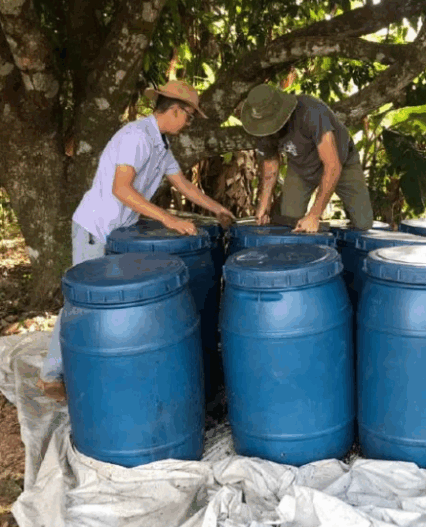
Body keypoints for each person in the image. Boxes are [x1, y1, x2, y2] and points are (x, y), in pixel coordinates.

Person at [36, 80, 235, 401]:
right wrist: (169, 219)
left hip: (120, 234)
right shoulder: (136, 138)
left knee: (111, 303)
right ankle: (51, 374)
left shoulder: (161, 145)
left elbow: (183, 184)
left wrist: (218, 209)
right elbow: (121, 189)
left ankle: (102, 361)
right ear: (174, 111)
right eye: (188, 116)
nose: (188, 123)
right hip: (95, 228)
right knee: (82, 302)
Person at [240, 84, 373, 232]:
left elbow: (332, 165)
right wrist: (263, 206)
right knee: (287, 221)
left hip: (340, 162)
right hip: (300, 167)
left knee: (363, 224)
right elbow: (270, 167)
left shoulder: (311, 112)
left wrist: (314, 215)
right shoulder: (260, 127)